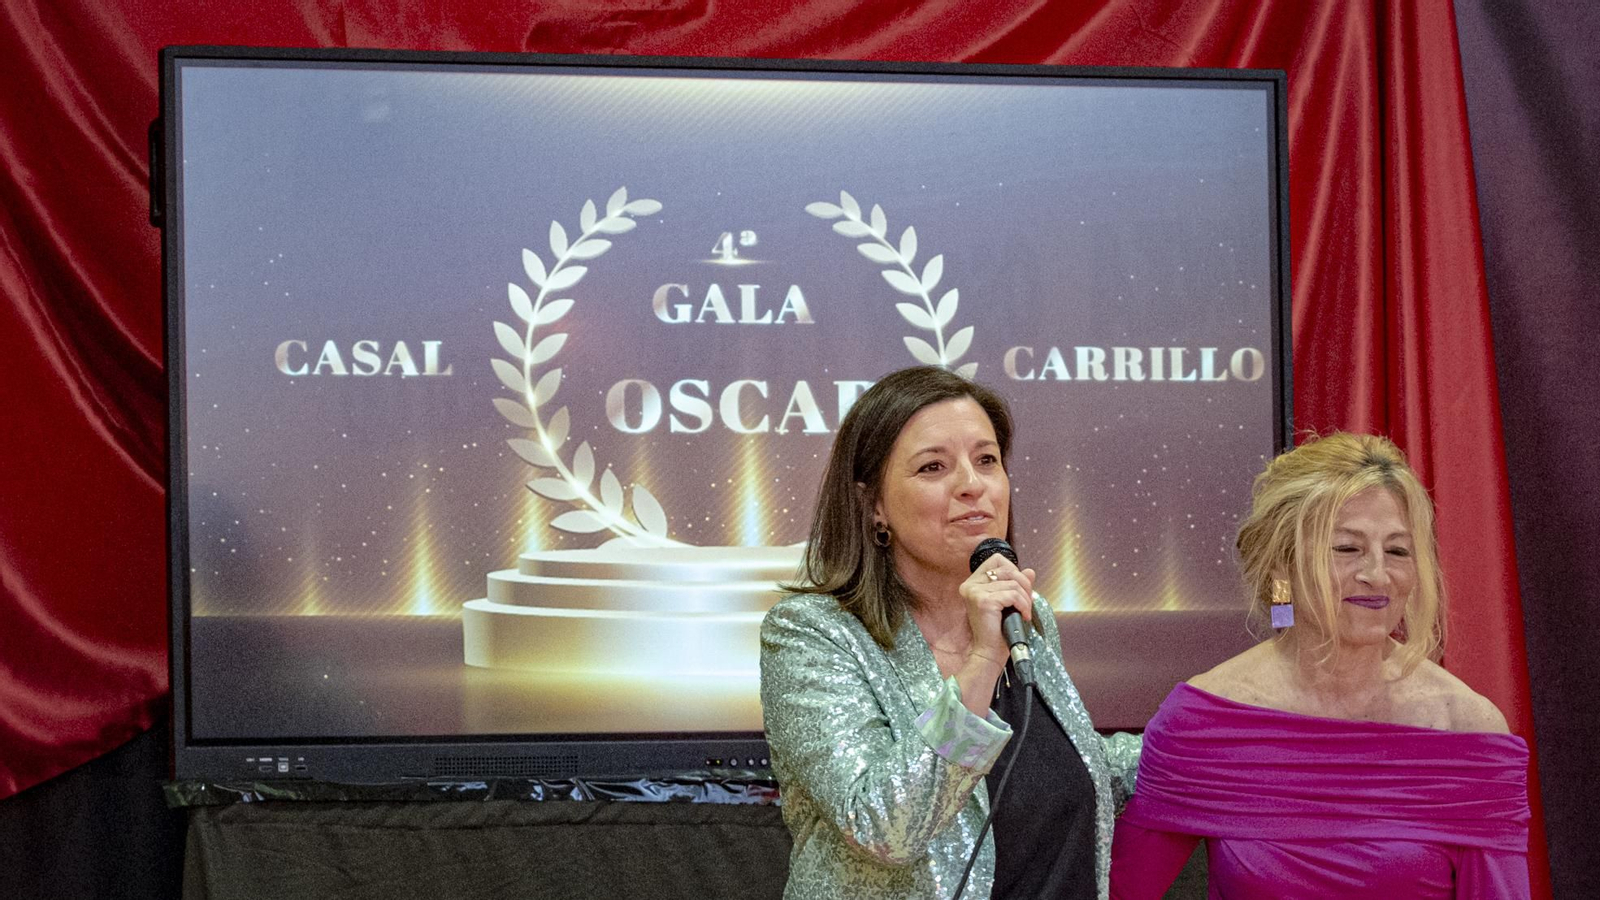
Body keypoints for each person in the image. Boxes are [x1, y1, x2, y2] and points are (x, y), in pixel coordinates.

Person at [760, 365, 1140, 900]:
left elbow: (1073, 769)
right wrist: (982, 661)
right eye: (933, 466)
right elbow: (885, 827)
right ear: (874, 505)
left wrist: (1206, 722)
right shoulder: (813, 633)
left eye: (987, 460)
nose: (972, 485)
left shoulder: (1027, 614)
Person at [1110, 432, 1531, 899]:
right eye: (1347, 548)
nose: (1377, 575)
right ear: (1282, 566)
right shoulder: (1202, 721)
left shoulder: (1467, 730)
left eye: (1397, 550)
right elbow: (1118, 889)